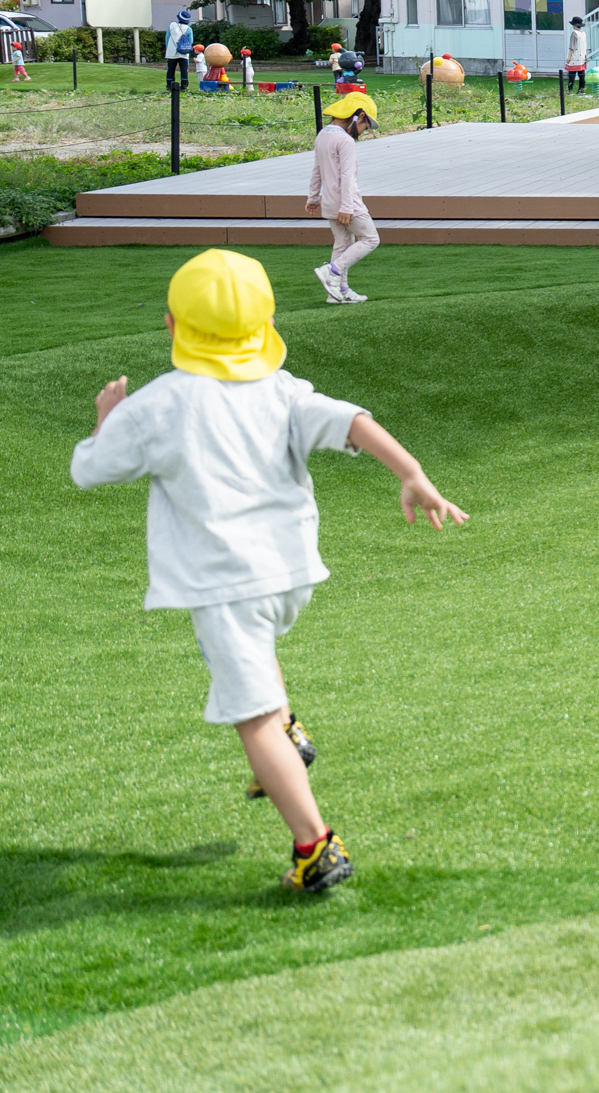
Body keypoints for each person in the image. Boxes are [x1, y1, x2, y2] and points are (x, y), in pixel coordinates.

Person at [69, 248, 467, 894]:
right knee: (260, 663)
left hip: (227, 584)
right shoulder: (279, 388)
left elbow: (90, 469)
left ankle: (315, 845)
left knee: (248, 716)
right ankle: (287, 728)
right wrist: (412, 473)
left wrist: (107, 419)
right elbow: (350, 420)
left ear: (173, 325)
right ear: (263, 327)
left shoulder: (158, 404)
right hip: (291, 573)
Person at [307, 92, 379, 304]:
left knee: (343, 242)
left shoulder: (323, 135)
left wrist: (313, 197)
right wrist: (347, 206)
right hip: (347, 203)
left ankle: (339, 291)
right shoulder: (345, 140)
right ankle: (332, 271)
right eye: (365, 127)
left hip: (328, 201)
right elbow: (348, 176)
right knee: (371, 239)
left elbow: (317, 169)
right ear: (360, 117)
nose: (362, 132)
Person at [562, 17, 589, 98]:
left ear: (574, 25)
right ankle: (581, 89)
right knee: (581, 75)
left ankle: (569, 90)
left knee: (572, 74)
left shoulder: (574, 33)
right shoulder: (583, 33)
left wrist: (569, 57)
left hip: (575, 56)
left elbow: (572, 47)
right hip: (582, 56)